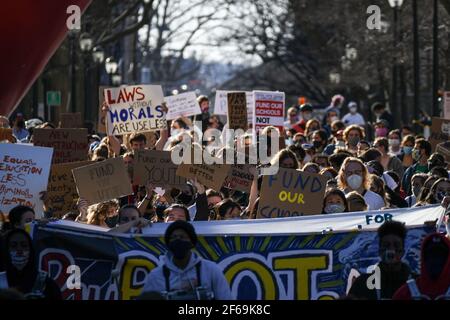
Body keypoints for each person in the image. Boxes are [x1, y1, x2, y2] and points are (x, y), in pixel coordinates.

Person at [141, 220, 233, 300]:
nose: (178, 240)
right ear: (168, 243)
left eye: (182, 237)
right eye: (173, 237)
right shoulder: (156, 276)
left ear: (192, 242)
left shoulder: (211, 270)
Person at [347, 220, 412, 300]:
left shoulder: (416, 284)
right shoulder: (362, 283)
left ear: (402, 251)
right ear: (380, 251)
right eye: (386, 245)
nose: (391, 250)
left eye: (396, 245)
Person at [1, 229, 61, 299]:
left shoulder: (47, 284)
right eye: (13, 246)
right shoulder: (1, 280)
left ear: (31, 250)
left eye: (24, 245)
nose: (19, 250)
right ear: (6, 250)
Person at [393, 233, 450, 300]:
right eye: (431, 255)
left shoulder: (405, 292)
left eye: (440, 255)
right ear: (424, 258)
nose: (435, 260)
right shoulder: (404, 294)